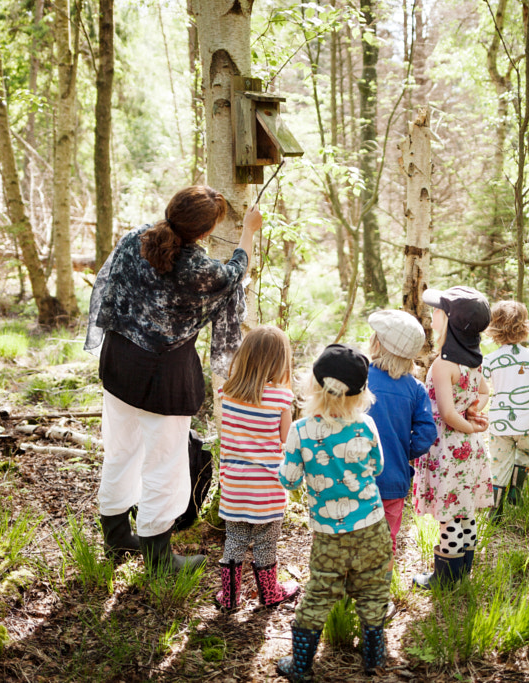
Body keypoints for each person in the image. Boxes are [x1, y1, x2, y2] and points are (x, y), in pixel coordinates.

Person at [84, 185, 261, 573]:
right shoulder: (199, 270)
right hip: (164, 379)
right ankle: (158, 556)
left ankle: (116, 537)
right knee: (165, 465)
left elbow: (112, 286)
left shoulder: (136, 239)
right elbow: (232, 275)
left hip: (118, 364)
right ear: (203, 233)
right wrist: (249, 231)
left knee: (119, 452)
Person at [276, 345, 391, 682]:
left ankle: (300, 666)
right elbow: (377, 466)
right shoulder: (366, 425)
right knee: (372, 589)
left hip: (328, 534)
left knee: (321, 592)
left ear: (312, 385)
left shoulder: (300, 430)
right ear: (360, 395)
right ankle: (373, 657)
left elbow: (289, 479)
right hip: (371, 525)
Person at [411, 286, 493, 589]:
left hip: (448, 447)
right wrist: (473, 408)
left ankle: (445, 576)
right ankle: (463, 568)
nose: (432, 315)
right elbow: (483, 392)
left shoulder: (443, 365)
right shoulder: (472, 361)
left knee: (449, 514)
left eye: (437, 311)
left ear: (449, 322)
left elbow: (446, 413)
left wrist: (469, 423)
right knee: (464, 508)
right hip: (469, 449)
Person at [215, 325, 301, 611]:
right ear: (280, 361)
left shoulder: (226, 394)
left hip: (235, 486)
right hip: (268, 487)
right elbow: (287, 442)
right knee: (266, 543)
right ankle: (270, 593)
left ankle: (229, 598)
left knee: (235, 540)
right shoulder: (281, 399)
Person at [366, 310, 437, 555]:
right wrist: (404, 450)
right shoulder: (416, 389)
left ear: (377, 343)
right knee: (386, 542)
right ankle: (379, 590)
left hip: (355, 475)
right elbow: (427, 433)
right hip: (393, 478)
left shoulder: (360, 377)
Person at [481, 300, 529, 515]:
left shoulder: (489, 360)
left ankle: (496, 510)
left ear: (494, 329)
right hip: (526, 420)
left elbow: (479, 386)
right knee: (528, 454)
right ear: (525, 326)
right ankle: (515, 492)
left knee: (499, 464)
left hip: (499, 421)